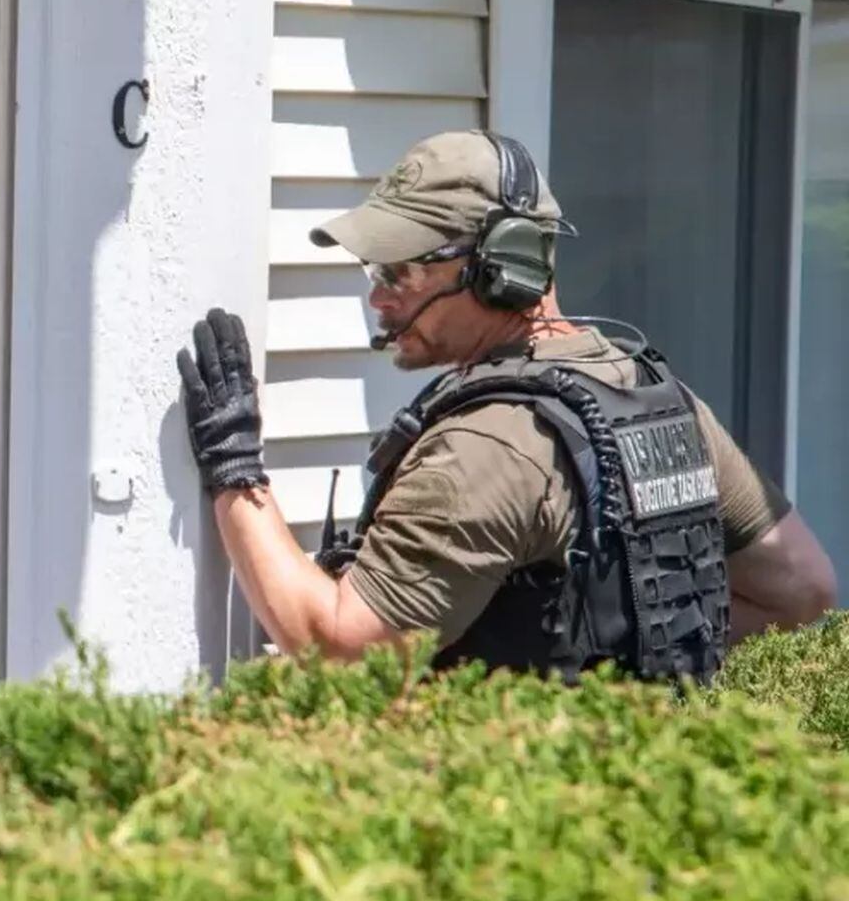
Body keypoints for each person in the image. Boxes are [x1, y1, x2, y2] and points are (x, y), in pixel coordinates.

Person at [179, 128, 836, 679]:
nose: (378, 300)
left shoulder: (489, 447)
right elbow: (802, 588)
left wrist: (235, 469)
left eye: (397, 273)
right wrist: (622, 669)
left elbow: (342, 650)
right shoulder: (657, 396)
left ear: (500, 268)